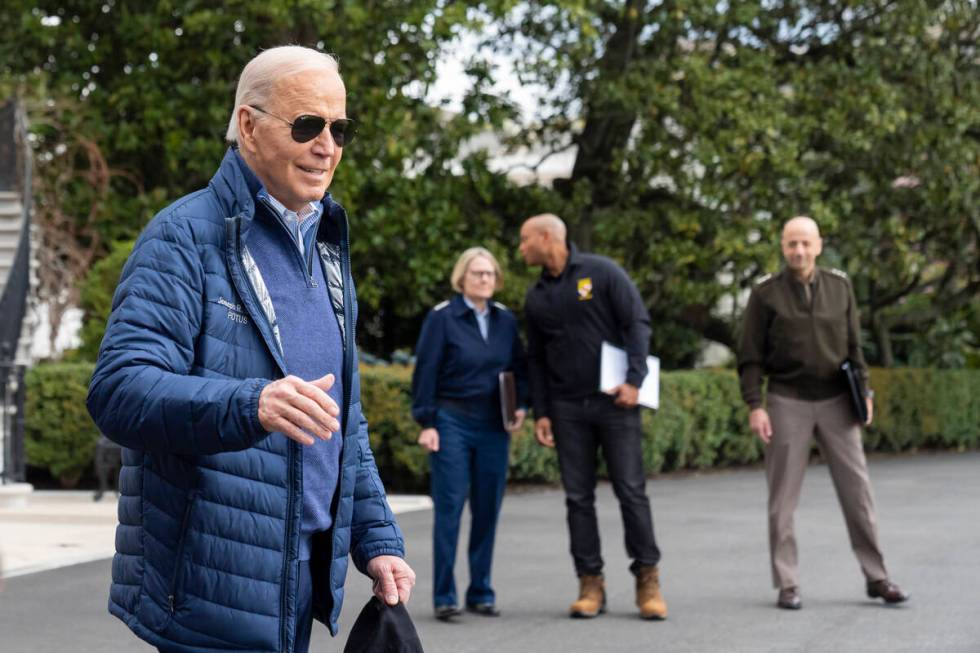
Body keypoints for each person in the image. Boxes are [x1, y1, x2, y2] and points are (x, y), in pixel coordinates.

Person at [87, 46, 415, 653]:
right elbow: (118, 389)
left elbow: (343, 422)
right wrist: (251, 404)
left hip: (298, 583)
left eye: (339, 129)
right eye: (307, 125)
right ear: (247, 125)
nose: (327, 146)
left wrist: (377, 542)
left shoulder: (326, 252)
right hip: (210, 594)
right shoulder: (182, 237)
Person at [737, 215, 909, 610]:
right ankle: (788, 583)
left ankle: (877, 576)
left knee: (858, 492)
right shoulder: (765, 295)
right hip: (787, 400)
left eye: (805, 243)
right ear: (783, 247)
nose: (798, 251)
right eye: (791, 243)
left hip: (837, 402)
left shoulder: (840, 287)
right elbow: (749, 356)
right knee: (782, 499)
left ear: (818, 245)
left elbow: (854, 348)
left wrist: (863, 390)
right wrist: (755, 405)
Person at [519, 214, 667, 621]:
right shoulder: (536, 296)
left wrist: (635, 380)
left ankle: (647, 579)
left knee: (630, 492)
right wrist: (542, 413)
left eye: (525, 239)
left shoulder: (601, 273)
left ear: (548, 237)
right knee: (577, 498)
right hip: (567, 409)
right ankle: (590, 582)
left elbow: (636, 322)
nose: (521, 248)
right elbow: (536, 359)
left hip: (615, 404)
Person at [411, 247, 528, 621]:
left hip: (495, 424)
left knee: (487, 510)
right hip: (452, 421)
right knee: (449, 509)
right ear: (462, 277)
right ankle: (445, 596)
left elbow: (520, 368)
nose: (485, 280)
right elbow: (425, 372)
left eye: (490, 274)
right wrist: (426, 423)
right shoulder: (442, 318)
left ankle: (481, 590)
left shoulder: (506, 321)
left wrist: (521, 404)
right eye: (477, 273)